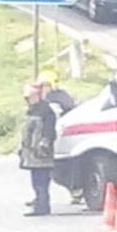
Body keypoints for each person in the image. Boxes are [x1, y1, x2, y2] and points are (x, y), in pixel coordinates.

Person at [35, 70, 84, 205]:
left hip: (63, 137)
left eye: (46, 85)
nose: (43, 89)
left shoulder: (58, 98)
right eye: (41, 86)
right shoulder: (47, 100)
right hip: (53, 137)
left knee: (60, 167)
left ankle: (76, 190)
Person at [19, 82, 56, 217]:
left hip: (41, 154)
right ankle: (39, 201)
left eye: (29, 97)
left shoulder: (46, 110)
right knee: (36, 180)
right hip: (32, 153)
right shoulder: (31, 110)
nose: (28, 100)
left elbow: (49, 131)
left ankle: (42, 206)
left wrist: (44, 144)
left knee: (41, 180)